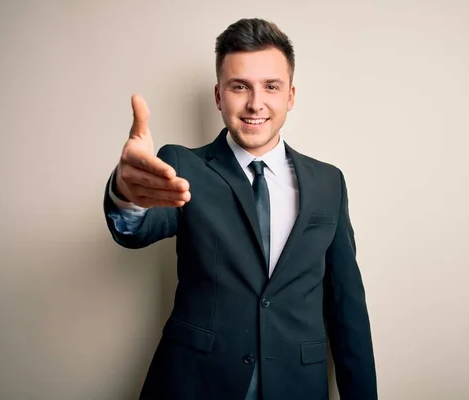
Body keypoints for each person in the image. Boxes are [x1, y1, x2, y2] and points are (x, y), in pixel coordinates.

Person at [103, 17, 377, 400]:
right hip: (197, 384)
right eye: (239, 87)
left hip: (296, 387)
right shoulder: (181, 166)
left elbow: (347, 306)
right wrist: (127, 194)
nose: (255, 103)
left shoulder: (329, 182)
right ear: (219, 95)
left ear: (291, 96)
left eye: (271, 87)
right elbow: (139, 228)